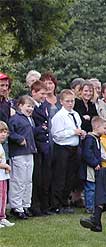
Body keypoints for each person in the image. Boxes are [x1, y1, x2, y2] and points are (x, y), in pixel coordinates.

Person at [49, 89, 86, 214]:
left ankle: (65, 202)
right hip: (62, 148)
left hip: (74, 148)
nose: (70, 103)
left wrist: (81, 133)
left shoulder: (75, 114)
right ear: (62, 102)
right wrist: (72, 132)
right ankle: (56, 204)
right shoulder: (59, 116)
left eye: (72, 101)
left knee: (70, 177)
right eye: (68, 101)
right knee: (60, 177)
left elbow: (78, 127)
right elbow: (56, 134)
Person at [8, 96, 38, 219]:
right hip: (18, 153)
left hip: (29, 152)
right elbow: (9, 132)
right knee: (18, 180)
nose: (30, 109)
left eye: (32, 106)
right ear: (20, 106)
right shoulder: (15, 119)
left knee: (28, 180)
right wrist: (19, 139)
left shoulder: (30, 120)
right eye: (28, 106)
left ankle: (26, 205)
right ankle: (16, 207)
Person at [30, 81, 52, 216]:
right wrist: (40, 129)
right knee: (36, 177)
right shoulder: (31, 106)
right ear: (33, 92)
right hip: (37, 144)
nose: (44, 96)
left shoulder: (44, 106)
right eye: (41, 93)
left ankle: (44, 206)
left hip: (46, 144)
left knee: (45, 176)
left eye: (45, 94)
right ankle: (35, 206)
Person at [81, 117, 106, 214]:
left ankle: (95, 205)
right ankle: (89, 206)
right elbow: (87, 153)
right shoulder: (90, 139)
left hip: (95, 167)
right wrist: (94, 163)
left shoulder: (97, 139)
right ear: (97, 127)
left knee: (95, 186)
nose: (105, 130)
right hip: (89, 168)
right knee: (90, 187)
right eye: (104, 128)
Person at [0, 121, 13, 227]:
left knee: (4, 196)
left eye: (5, 132)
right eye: (1, 132)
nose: (3, 134)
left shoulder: (2, 145)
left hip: (3, 176)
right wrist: (6, 166)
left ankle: (2, 216)